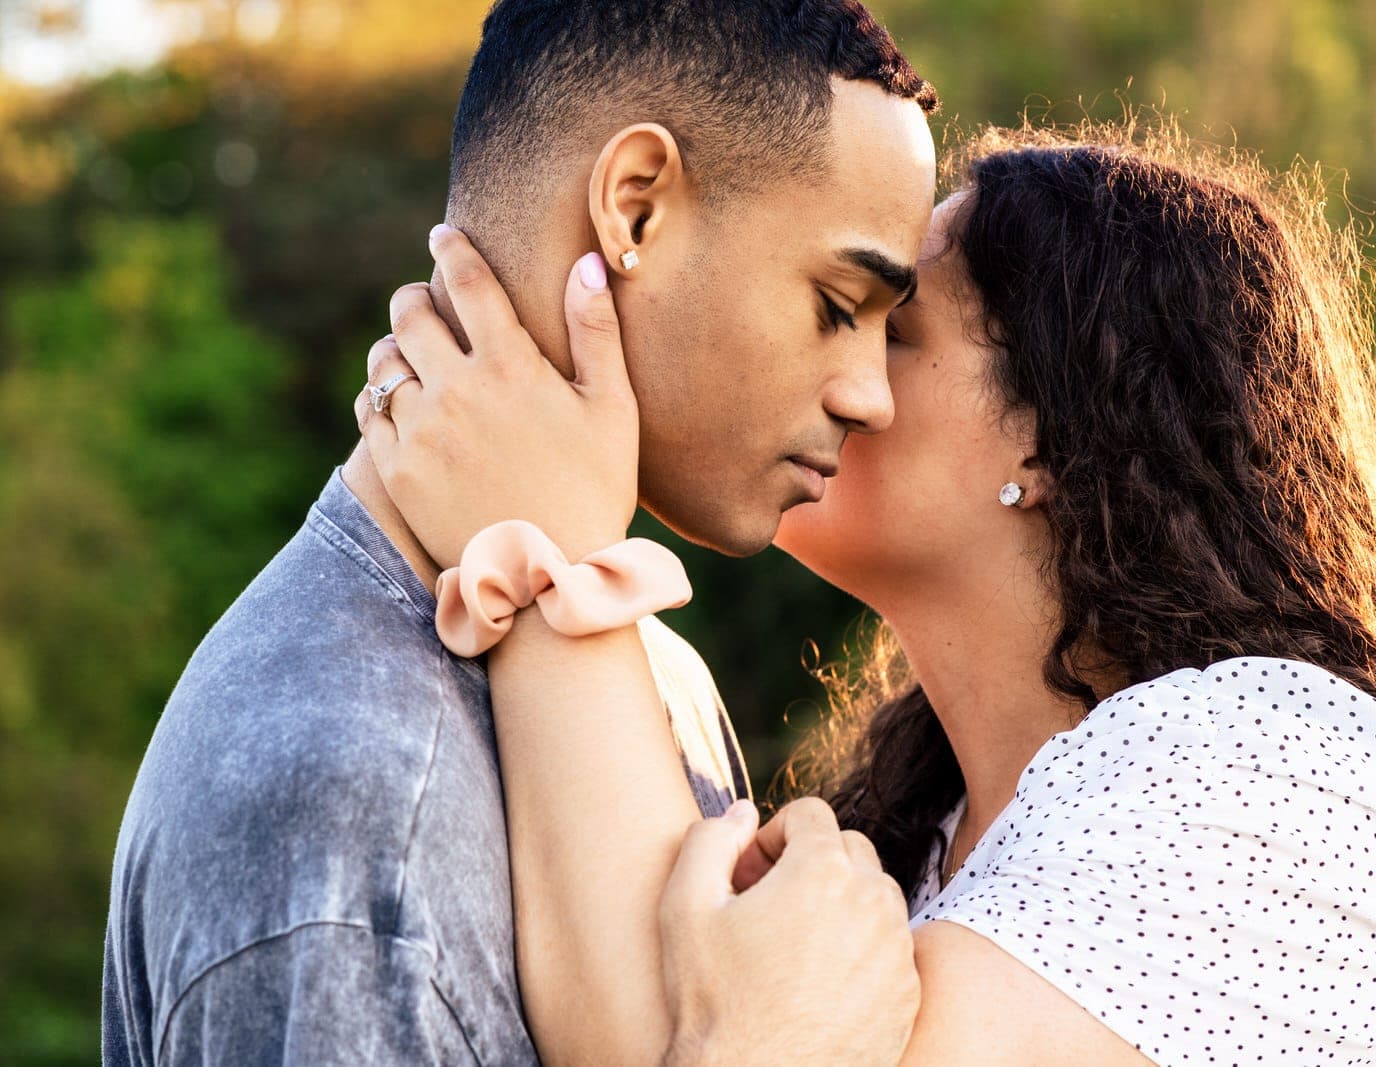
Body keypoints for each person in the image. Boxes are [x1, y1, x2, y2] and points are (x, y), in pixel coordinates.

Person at [361, 119, 1376, 1064]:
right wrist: (537, 541)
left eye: (883, 327)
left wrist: (540, 545)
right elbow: (643, 1032)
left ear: (1053, 440)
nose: (832, 372)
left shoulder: (1281, 767)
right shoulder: (923, 848)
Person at [101, 1, 940, 1062]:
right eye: (837, 302)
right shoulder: (351, 792)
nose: (871, 396)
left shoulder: (649, 674)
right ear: (634, 211)